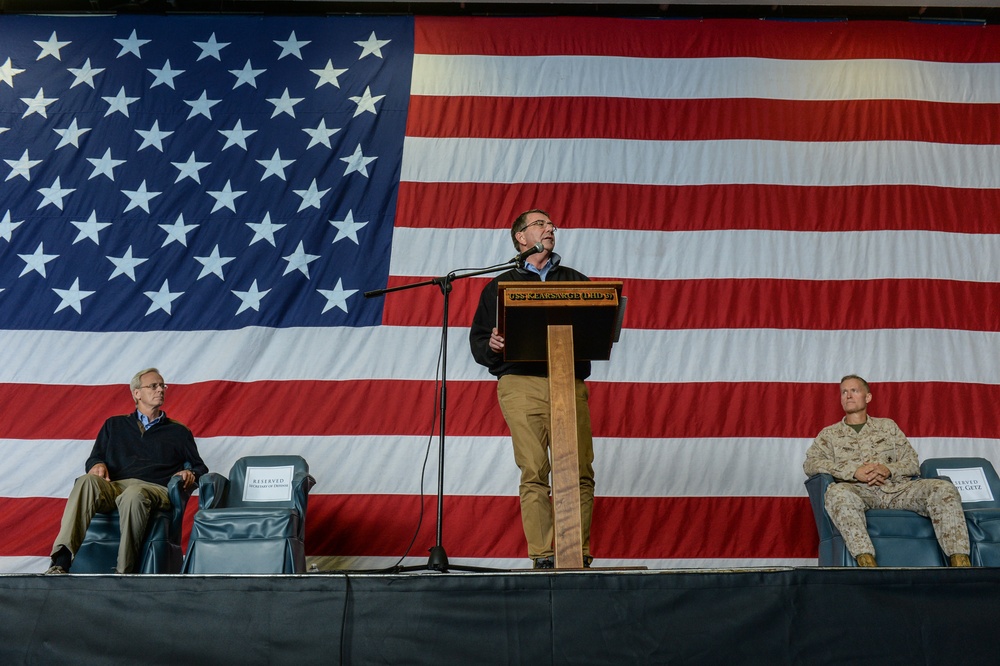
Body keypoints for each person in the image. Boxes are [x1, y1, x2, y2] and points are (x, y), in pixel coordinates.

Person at [469, 208, 596, 569]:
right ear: (520, 238)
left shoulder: (577, 281)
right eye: (540, 224)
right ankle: (543, 555)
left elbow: (597, 330)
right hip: (520, 384)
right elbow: (478, 340)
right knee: (535, 470)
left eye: (551, 224)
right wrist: (491, 343)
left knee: (579, 470)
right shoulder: (497, 286)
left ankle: (577, 554)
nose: (550, 227)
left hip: (568, 382)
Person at [45, 367, 208, 574]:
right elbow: (95, 458)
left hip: (154, 488)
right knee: (85, 481)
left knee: (134, 494)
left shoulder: (179, 431)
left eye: (162, 386)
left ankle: (124, 571)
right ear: (137, 393)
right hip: (116, 486)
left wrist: (190, 473)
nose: (160, 390)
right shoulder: (114, 425)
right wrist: (97, 465)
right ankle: (61, 560)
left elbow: (200, 467)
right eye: (154, 386)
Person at [804, 374, 971, 567]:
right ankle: (865, 560)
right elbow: (811, 464)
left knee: (943, 489)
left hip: (897, 491)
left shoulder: (887, 426)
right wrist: (853, 471)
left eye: (854, 390)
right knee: (837, 493)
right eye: (844, 392)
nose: (848, 395)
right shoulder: (829, 434)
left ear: (867, 397)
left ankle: (960, 561)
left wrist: (888, 469)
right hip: (859, 492)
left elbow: (911, 462)